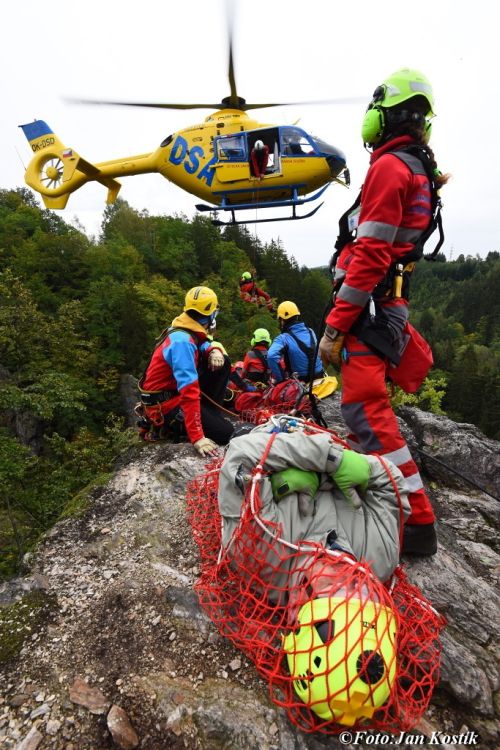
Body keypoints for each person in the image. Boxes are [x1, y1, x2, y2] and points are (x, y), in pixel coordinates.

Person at [215, 418, 429, 726]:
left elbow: (241, 455)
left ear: (297, 613)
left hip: (266, 437)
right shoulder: (379, 560)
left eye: (336, 591)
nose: (353, 579)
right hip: (314, 444)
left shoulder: (260, 554)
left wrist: (320, 462)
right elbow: (392, 481)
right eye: (366, 593)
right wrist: (342, 463)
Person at [318, 69, 449, 557]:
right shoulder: (414, 166)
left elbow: (371, 253)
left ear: (380, 116)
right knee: (364, 410)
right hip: (384, 303)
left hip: (369, 307)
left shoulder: (391, 167)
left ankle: (415, 522)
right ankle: (377, 492)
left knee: (364, 409)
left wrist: (334, 327)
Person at [138, 286, 235, 456]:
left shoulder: (184, 328)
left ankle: (211, 415)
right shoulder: (182, 342)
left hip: (171, 395)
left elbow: (201, 342)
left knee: (223, 363)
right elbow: (189, 390)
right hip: (166, 406)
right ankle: (200, 422)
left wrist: (213, 350)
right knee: (226, 433)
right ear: (210, 315)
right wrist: (197, 436)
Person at [268, 301, 323, 384]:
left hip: (300, 381)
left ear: (282, 320)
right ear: (297, 316)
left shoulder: (283, 338)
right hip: (319, 376)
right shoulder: (311, 332)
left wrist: (281, 380)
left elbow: (271, 356)